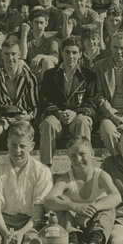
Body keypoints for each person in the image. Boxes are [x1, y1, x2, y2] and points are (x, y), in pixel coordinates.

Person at [43, 138, 122, 244]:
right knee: (62, 200)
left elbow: (117, 197)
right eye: (73, 156)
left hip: (95, 224)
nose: (78, 159)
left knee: (107, 206)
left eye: (82, 154)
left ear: (92, 154)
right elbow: (48, 200)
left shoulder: (100, 175)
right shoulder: (66, 178)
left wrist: (92, 209)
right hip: (73, 225)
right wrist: (74, 207)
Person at [37, 36, 98, 166]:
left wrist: (75, 113)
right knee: (48, 123)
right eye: (67, 52)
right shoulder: (50, 75)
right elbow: (43, 101)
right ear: (61, 53)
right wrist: (58, 113)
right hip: (56, 119)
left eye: (75, 52)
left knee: (83, 121)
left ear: (80, 54)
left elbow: (91, 103)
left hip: (76, 119)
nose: (71, 56)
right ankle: (45, 170)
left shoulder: (88, 76)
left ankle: (82, 167)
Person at [0, 36, 40, 160]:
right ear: (2, 55)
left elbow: (35, 107)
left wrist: (28, 116)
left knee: (22, 130)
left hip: (22, 117)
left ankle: (22, 167)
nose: (10, 58)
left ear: (19, 55)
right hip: (1, 119)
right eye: (6, 54)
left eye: (13, 54)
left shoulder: (30, 78)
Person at [21, 6, 60, 76]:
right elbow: (23, 56)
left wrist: (41, 56)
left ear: (46, 23)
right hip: (28, 72)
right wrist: (24, 34)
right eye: (36, 22)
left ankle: (47, 87)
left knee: (47, 62)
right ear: (31, 23)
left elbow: (56, 60)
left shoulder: (51, 38)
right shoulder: (26, 37)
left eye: (41, 23)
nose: (39, 26)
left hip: (44, 73)